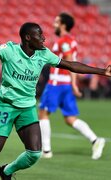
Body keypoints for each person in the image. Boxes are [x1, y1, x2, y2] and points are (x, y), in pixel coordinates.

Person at [0, 22, 111, 180]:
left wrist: (102, 71)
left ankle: (7, 171)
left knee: (35, 153)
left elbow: (70, 65)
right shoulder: (10, 50)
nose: (43, 38)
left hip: (27, 108)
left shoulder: (43, 53)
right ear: (28, 37)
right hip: (5, 106)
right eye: (39, 35)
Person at [38, 13, 105, 160]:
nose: (54, 24)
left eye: (56, 21)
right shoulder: (72, 40)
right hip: (66, 84)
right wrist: (73, 83)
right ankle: (95, 140)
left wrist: (74, 83)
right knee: (70, 118)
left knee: (43, 113)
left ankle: (46, 151)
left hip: (56, 83)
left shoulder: (63, 41)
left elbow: (69, 60)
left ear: (63, 25)